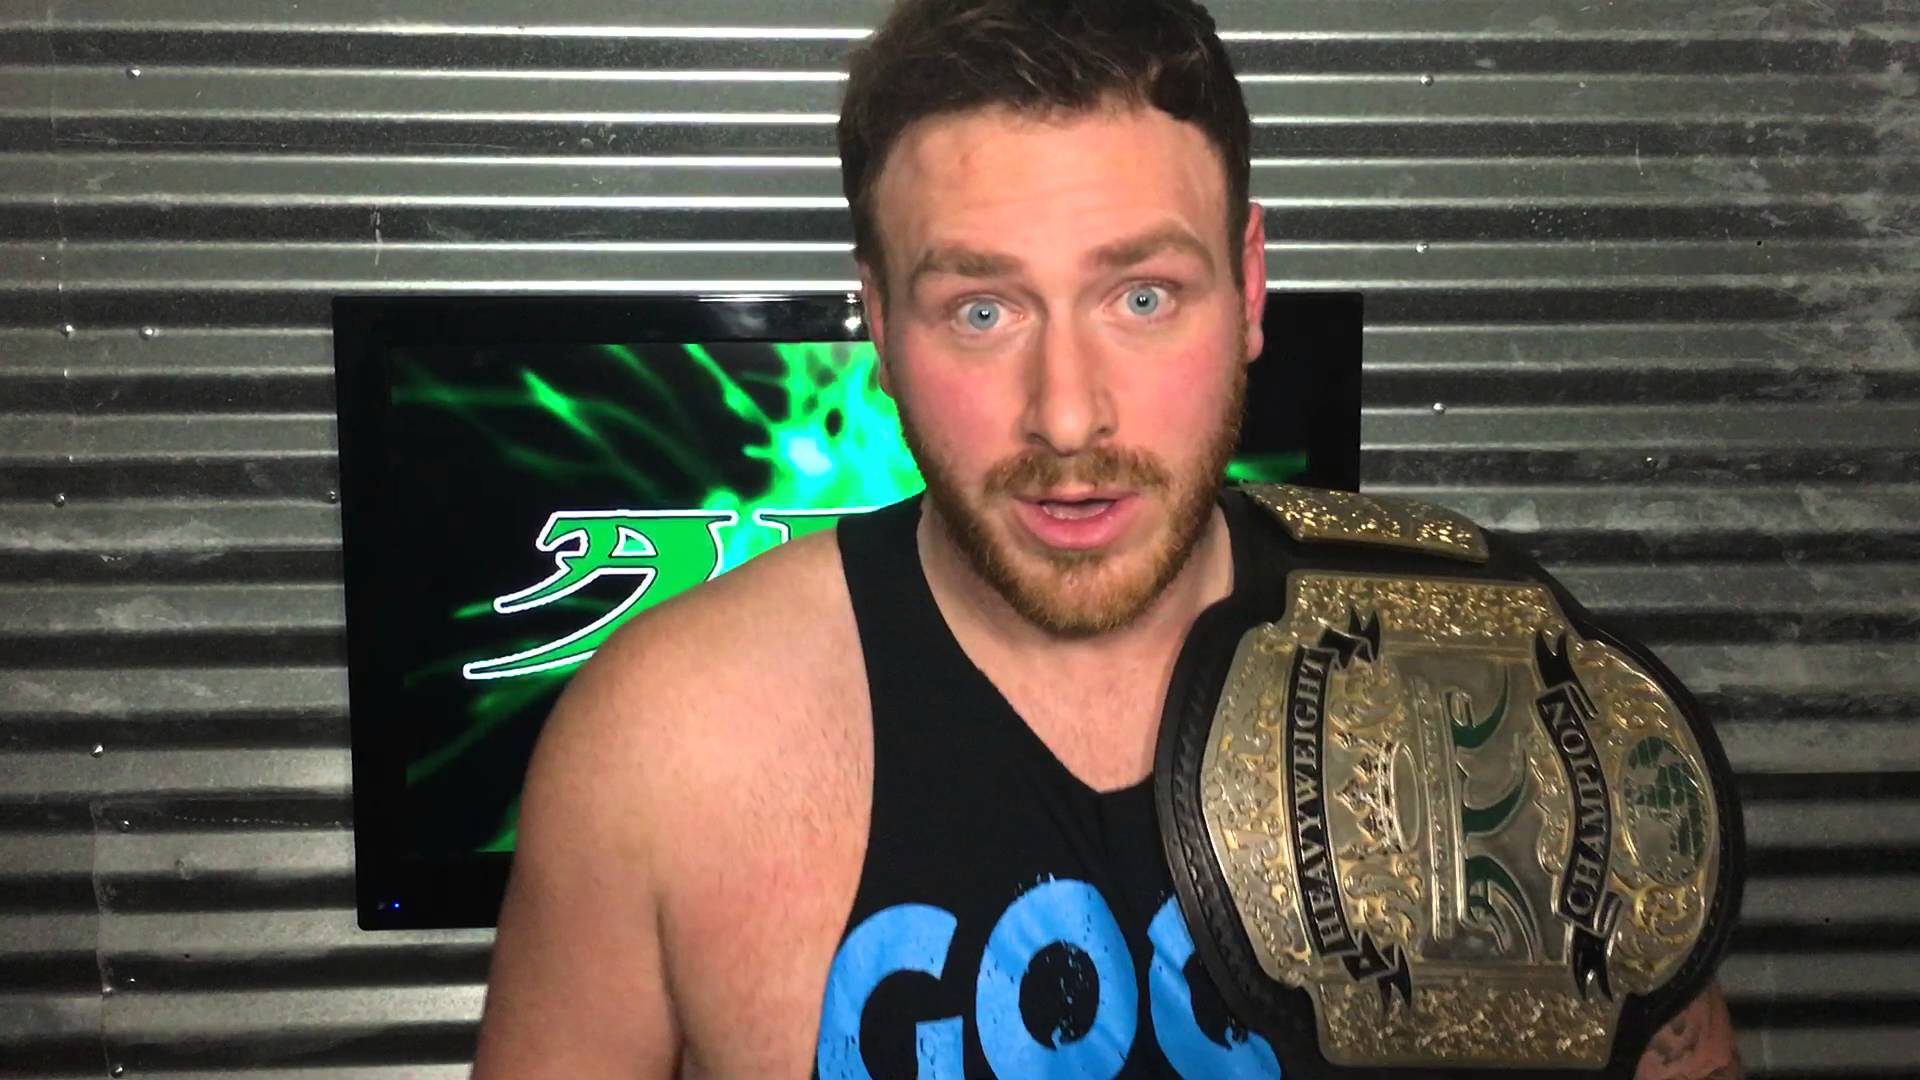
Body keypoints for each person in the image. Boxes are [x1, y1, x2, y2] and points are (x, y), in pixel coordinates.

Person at [469, 1, 1742, 1076]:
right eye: (982, 309)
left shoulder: (1493, 677)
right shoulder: (665, 744)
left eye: (1142, 296)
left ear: (1249, 285)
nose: (1069, 415)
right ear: (881, 326)